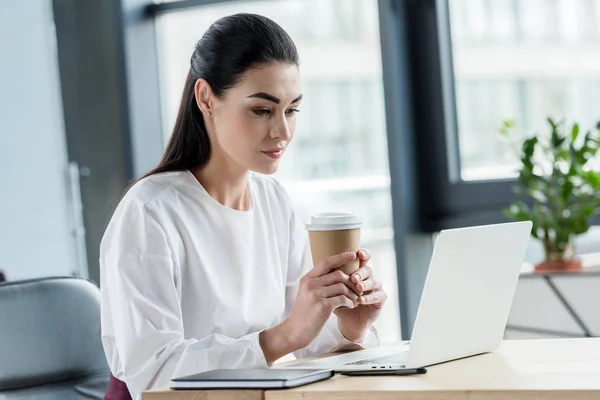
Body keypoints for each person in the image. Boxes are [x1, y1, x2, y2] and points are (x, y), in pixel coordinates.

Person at [100, 13, 387, 400]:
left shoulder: (273, 202)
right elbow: (153, 375)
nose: (283, 131)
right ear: (206, 98)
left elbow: (305, 343)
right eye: (262, 110)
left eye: (292, 110)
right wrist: (279, 338)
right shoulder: (150, 212)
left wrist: (349, 325)